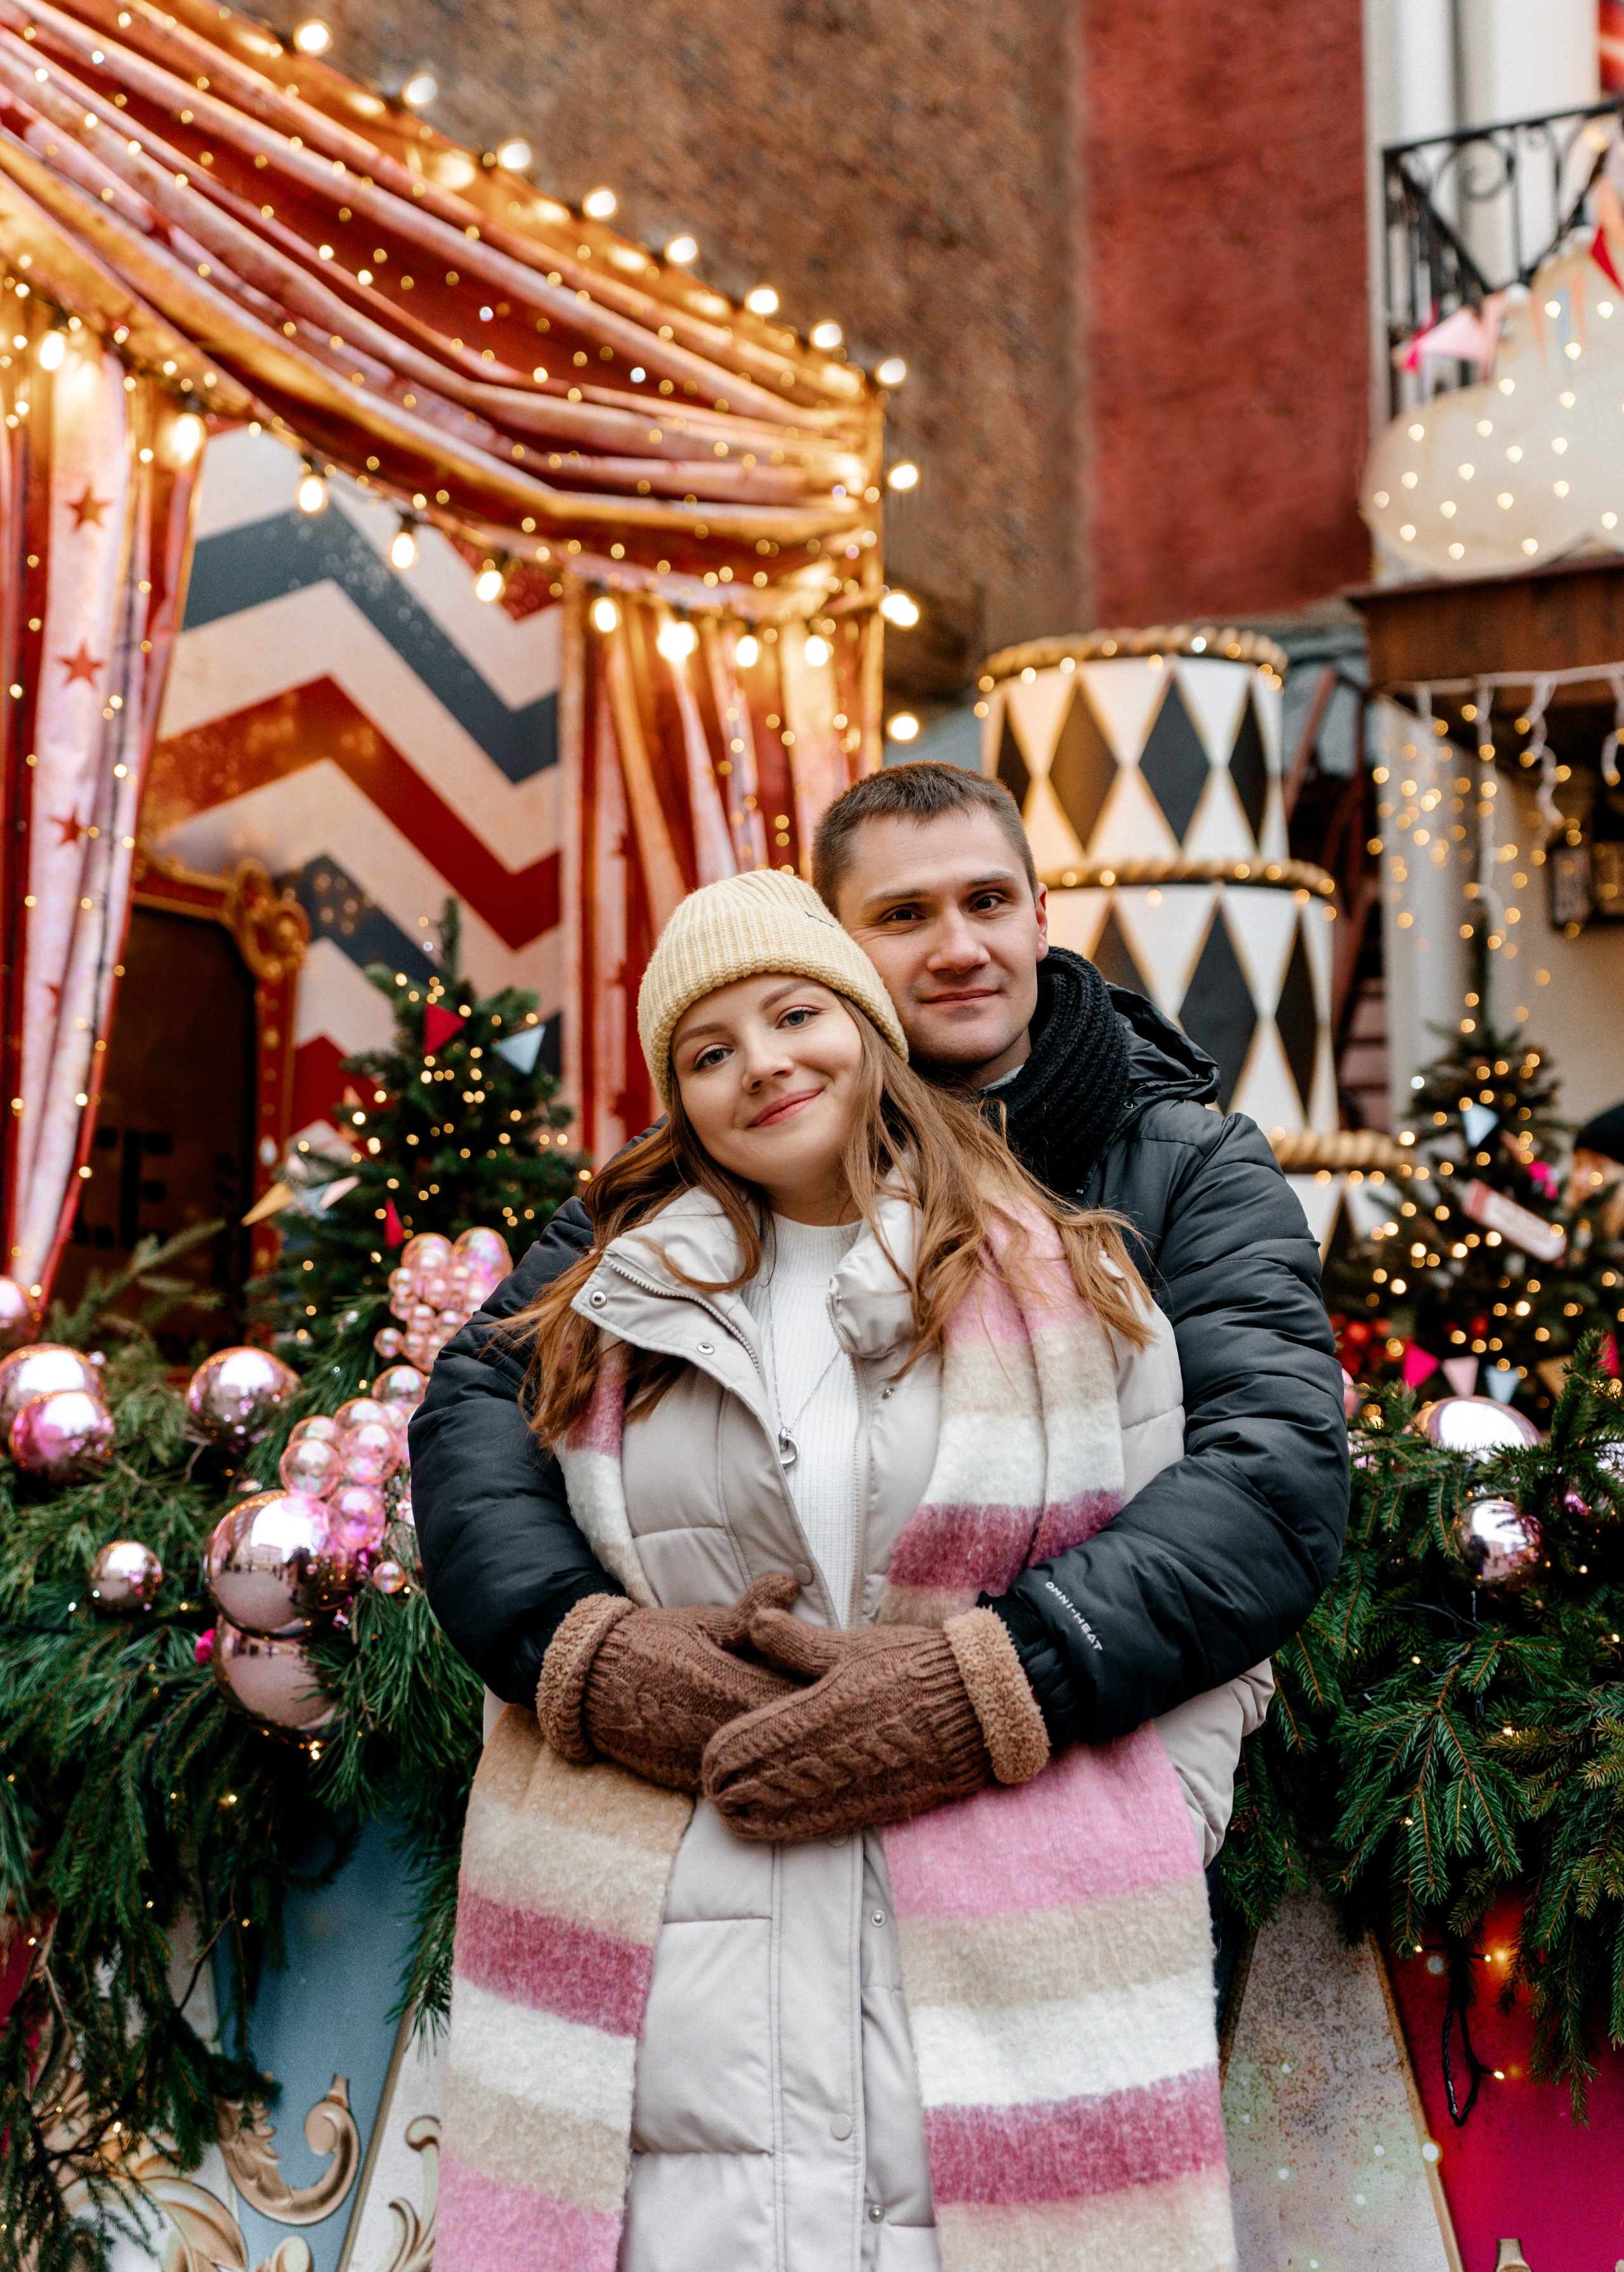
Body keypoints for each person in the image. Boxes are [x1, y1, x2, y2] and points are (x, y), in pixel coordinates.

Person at [433, 869, 1243, 2271]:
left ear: (865, 1026)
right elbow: (502, 1534)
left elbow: (1196, 1603)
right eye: (708, 1051)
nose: (761, 1064)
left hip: (1007, 1965)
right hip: (675, 1993)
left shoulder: (1075, 1277)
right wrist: (603, 1667)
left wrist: (1152, 1821)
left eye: (794, 1014)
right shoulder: (603, 1312)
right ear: (678, 1101)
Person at [413, 761, 1346, 1790]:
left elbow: (1268, 1468)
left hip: (1074, 1773)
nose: (960, 949)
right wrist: (582, 1647)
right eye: (904, 916)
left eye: (987, 902)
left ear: (1040, 916)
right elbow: (482, 1399)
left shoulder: (1184, 1164)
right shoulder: (690, 1178)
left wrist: (1001, 1677)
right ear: (833, 951)